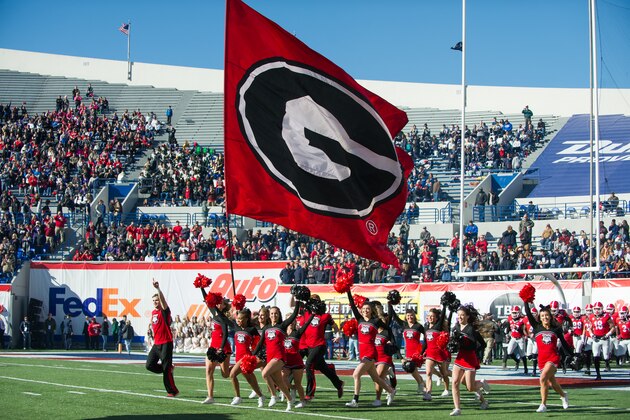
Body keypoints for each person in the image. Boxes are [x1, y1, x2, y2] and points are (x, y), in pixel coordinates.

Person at [344, 289, 396, 408]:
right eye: (363, 309)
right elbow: (352, 304)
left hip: (371, 353)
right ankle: (391, 391)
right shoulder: (360, 320)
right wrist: (348, 291)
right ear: (361, 311)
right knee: (376, 378)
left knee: (356, 375)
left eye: (368, 309)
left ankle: (355, 401)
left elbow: (388, 329)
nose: (365, 311)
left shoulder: (376, 321)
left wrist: (390, 341)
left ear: (371, 310)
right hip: (363, 353)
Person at [252, 302, 302, 411]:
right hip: (270, 357)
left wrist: (297, 301)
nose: (274, 315)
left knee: (265, 373)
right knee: (280, 383)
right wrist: (252, 355)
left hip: (279, 356)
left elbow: (293, 315)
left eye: (276, 314)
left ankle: (273, 396)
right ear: (269, 315)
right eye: (272, 313)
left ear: (279, 315)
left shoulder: (282, 326)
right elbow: (260, 343)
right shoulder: (266, 328)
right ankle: (289, 400)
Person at [523, 301, 570, 413]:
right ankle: (563, 395)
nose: (545, 317)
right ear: (540, 317)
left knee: (543, 378)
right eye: (543, 316)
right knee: (552, 383)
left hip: (553, 358)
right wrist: (525, 301)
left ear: (550, 316)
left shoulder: (556, 329)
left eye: (547, 315)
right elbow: (528, 314)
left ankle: (543, 404)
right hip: (542, 360)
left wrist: (572, 354)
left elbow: (563, 343)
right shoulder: (537, 327)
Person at [299, 295, 344, 400]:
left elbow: (335, 327)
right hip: (308, 346)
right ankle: (339, 383)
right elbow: (293, 306)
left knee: (309, 364)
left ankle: (310, 394)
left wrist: (337, 336)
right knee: (324, 369)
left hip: (320, 345)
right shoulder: (306, 314)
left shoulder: (325, 316)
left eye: (316, 301)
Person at [449, 304, 489, 416]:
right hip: (460, 358)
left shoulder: (471, 329)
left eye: (462, 315)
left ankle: (481, 384)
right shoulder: (456, 327)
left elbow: (482, 344)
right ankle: (457, 409)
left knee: (470, 387)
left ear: (467, 316)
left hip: (470, 359)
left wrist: (476, 354)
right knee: (455, 382)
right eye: (459, 315)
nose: (460, 317)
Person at [146, 279, 179, 397]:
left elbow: (164, 302)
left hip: (166, 343)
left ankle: (172, 391)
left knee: (166, 367)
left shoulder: (164, 311)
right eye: (154, 300)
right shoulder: (153, 313)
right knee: (149, 365)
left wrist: (158, 289)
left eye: (157, 300)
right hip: (157, 344)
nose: (155, 302)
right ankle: (168, 369)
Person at [229, 309, 265, 408]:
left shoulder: (252, 329)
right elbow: (223, 318)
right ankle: (261, 396)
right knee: (250, 380)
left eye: (241, 319)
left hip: (246, 357)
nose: (239, 321)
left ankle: (238, 397)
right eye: (238, 319)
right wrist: (214, 306)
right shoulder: (236, 328)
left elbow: (260, 342)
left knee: (232, 374)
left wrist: (255, 354)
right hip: (238, 358)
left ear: (246, 319)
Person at [200, 291, 232, 404]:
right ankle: (210, 396)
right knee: (209, 370)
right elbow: (207, 299)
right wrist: (201, 287)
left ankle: (236, 369)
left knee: (225, 374)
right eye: (218, 302)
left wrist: (221, 348)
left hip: (223, 348)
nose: (218, 304)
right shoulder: (214, 313)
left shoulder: (223, 318)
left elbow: (225, 334)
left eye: (221, 303)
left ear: (224, 306)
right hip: (213, 347)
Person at [391, 308, 427, 395]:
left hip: (416, 351)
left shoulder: (418, 326)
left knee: (412, 369)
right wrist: (390, 305)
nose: (409, 317)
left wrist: (422, 352)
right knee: (411, 370)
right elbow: (394, 316)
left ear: (414, 316)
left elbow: (426, 337)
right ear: (406, 317)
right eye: (408, 315)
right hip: (408, 351)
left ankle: (421, 384)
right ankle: (423, 385)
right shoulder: (404, 325)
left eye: (411, 315)